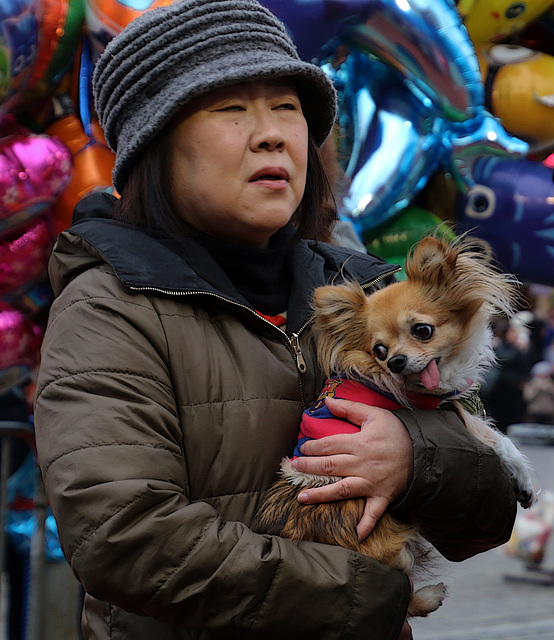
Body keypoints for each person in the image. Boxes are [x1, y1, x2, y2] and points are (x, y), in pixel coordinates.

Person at [33, 2, 518, 639]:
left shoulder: (366, 293)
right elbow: (123, 535)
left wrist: (411, 456)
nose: (271, 134)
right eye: (230, 110)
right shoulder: (111, 307)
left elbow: (486, 512)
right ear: (155, 145)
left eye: (286, 107)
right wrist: (367, 596)